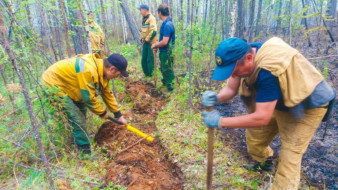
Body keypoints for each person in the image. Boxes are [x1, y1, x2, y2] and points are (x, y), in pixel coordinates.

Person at [201, 37, 335, 190]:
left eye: (234, 71)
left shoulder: (268, 71)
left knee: (290, 156)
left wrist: (220, 121)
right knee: (255, 140)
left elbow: (261, 118)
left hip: (307, 103)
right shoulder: (242, 54)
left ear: (250, 59)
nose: (233, 74)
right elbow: (231, 89)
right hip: (281, 99)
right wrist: (216, 98)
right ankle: (267, 163)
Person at [42, 53, 129, 154]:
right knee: (77, 118)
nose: (116, 77)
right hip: (53, 83)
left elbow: (107, 93)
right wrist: (102, 112)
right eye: (117, 75)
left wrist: (118, 115)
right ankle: (85, 152)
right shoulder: (89, 70)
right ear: (112, 69)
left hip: (70, 85)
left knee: (81, 113)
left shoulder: (101, 71)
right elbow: (89, 99)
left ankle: (78, 138)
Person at [151, 4, 175, 92]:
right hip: (165, 51)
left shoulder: (167, 25)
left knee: (167, 69)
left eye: (158, 13)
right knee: (163, 68)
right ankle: (165, 83)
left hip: (167, 52)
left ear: (160, 13)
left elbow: (165, 42)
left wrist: (155, 45)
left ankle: (170, 88)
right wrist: (157, 44)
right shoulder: (166, 23)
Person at [138, 4, 158, 78]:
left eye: (140, 10)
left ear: (144, 10)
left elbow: (154, 31)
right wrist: (142, 38)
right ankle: (146, 74)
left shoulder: (151, 18)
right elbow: (144, 31)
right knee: (144, 59)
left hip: (151, 43)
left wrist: (146, 39)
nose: (140, 12)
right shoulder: (144, 19)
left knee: (150, 60)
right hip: (146, 43)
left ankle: (150, 75)